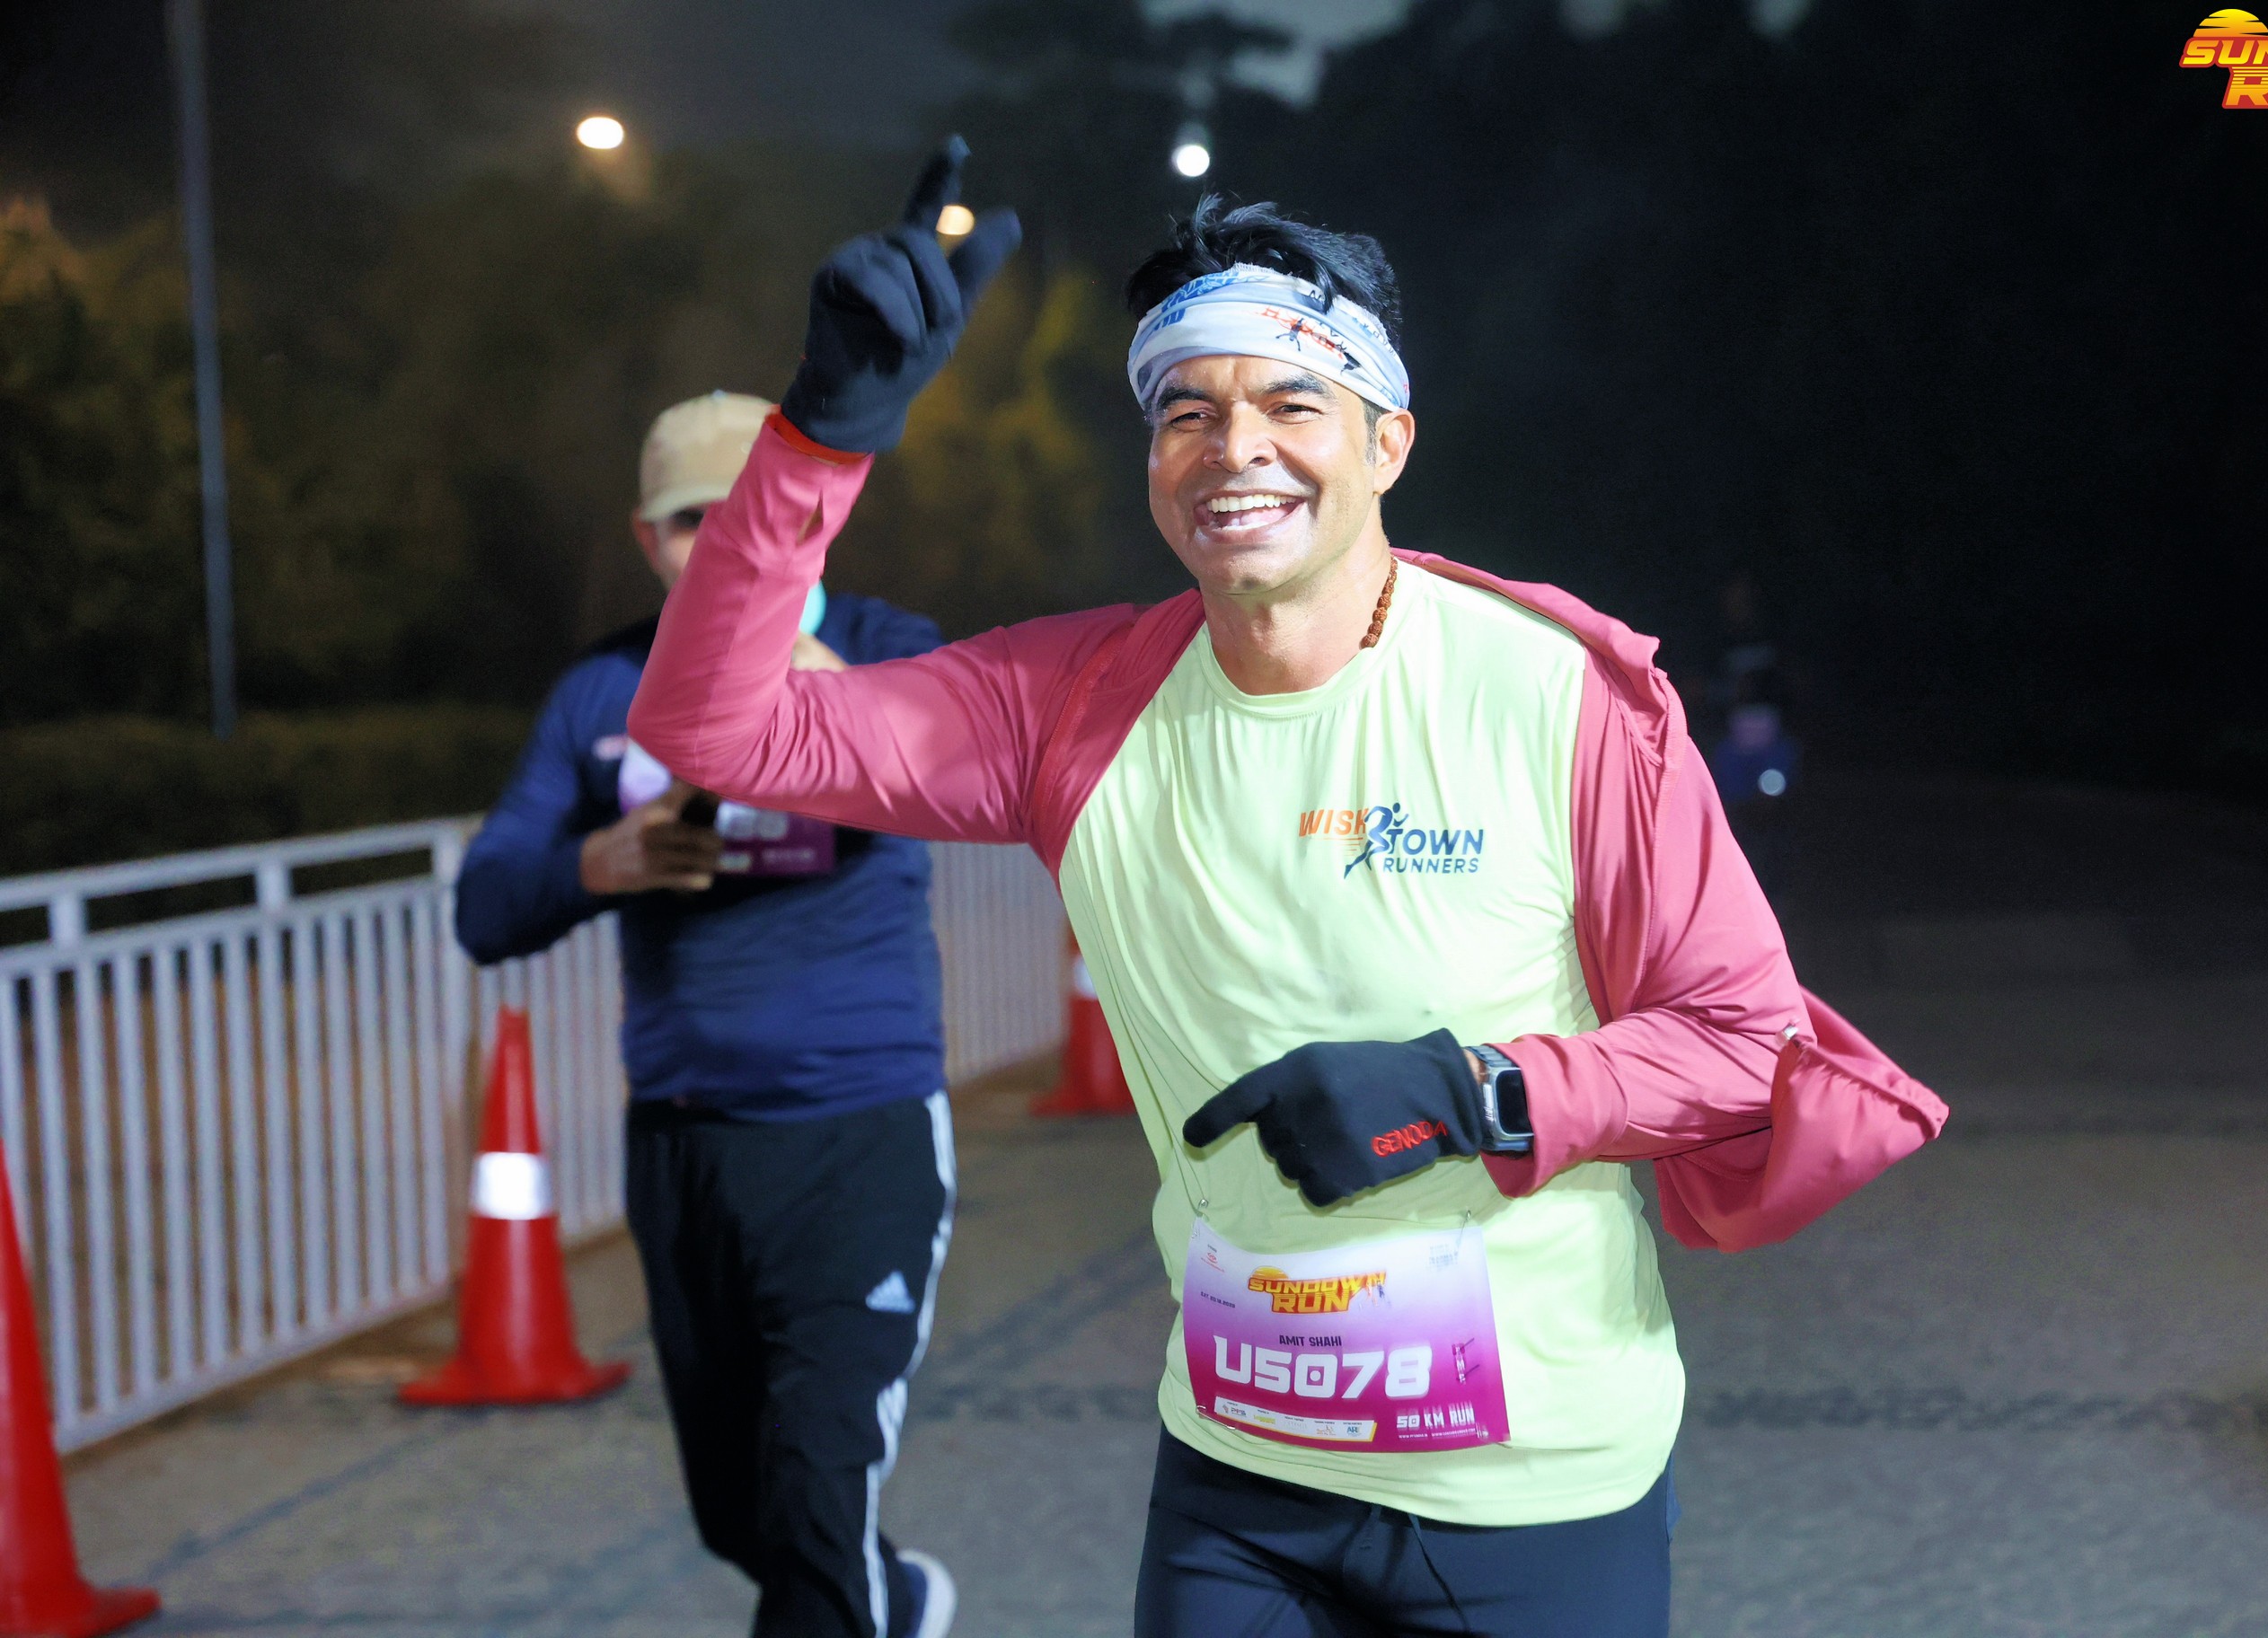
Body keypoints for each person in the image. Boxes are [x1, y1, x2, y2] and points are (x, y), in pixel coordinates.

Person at [631, 140, 1943, 1637]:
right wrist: (821, 437)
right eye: (1185, 411)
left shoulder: (1554, 696)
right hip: (1239, 1475)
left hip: (1533, 1489)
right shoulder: (1071, 707)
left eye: (1291, 403)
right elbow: (715, 729)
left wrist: (1476, 1093)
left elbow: (1743, 1043)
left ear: (1387, 442)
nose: (1231, 447)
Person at [454, 390, 959, 1638]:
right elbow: (485, 905)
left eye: (757, 519)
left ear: (814, 524)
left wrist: (814, 682)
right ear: (648, 539)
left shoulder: (888, 647)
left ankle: (857, 1598)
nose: (730, 547)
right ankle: (898, 1601)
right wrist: (601, 862)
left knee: (815, 1496)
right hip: (683, 1146)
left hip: (857, 1137)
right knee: (741, 1514)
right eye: (696, 523)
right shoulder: (602, 689)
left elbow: (952, 769)